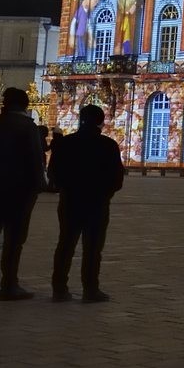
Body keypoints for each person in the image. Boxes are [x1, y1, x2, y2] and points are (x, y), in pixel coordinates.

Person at [0, 87, 47, 300]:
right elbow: (36, 160)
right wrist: (41, 184)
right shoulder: (27, 127)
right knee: (14, 238)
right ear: (25, 105)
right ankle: (9, 284)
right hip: (20, 191)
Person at [49, 104, 125, 302]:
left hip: (70, 201)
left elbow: (53, 173)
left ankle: (59, 288)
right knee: (92, 248)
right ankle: (90, 289)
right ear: (101, 122)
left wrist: (67, 188)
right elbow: (117, 179)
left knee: (65, 244)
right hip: (97, 203)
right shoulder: (108, 145)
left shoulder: (66, 143)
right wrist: (104, 193)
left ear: (80, 119)